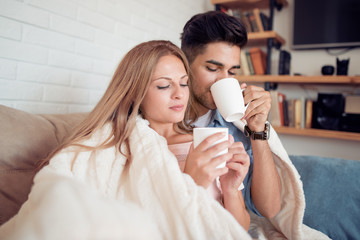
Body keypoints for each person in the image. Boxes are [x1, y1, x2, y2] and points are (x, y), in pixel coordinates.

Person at [37, 40, 250, 229]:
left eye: (184, 83)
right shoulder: (118, 151)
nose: (179, 93)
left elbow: (239, 228)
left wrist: (231, 189)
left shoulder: (209, 142)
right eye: (164, 85)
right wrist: (192, 183)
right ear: (135, 93)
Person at [180, 10, 282, 219]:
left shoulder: (234, 127)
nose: (223, 80)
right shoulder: (160, 120)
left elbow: (270, 209)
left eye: (232, 72)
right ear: (185, 66)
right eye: (212, 68)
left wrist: (258, 131)